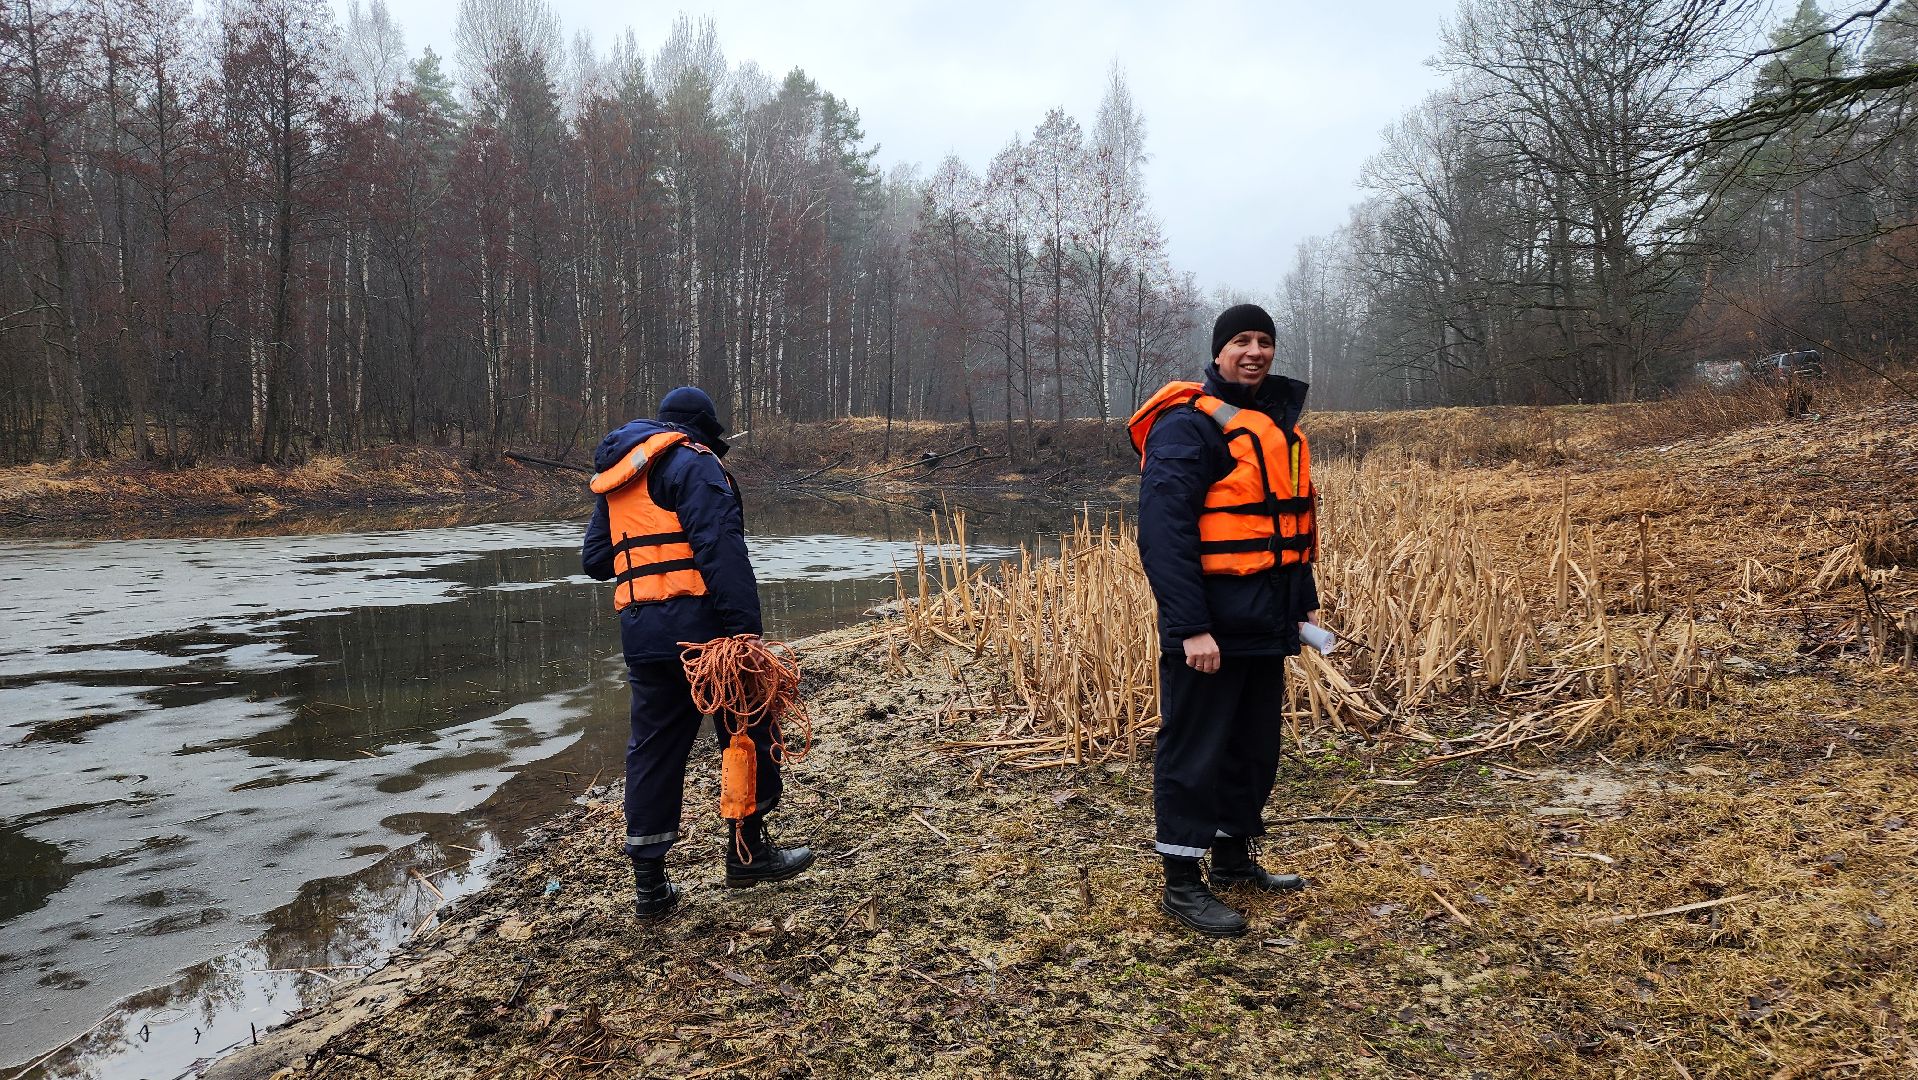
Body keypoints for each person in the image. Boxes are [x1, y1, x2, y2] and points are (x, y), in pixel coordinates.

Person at [1126, 304, 1321, 937]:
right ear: (1217, 353)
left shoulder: (1269, 425)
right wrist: (1190, 629)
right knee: (1195, 748)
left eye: (1265, 341)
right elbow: (1164, 535)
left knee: (1253, 747)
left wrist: (1300, 609)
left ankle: (1234, 858)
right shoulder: (1187, 428)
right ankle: (1181, 883)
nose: (1255, 351)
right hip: (1209, 628)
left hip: (1264, 624)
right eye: (1241, 340)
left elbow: (1283, 529)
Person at [582, 386, 814, 918]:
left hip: (643, 636)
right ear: (702, 429)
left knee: (654, 749)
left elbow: (596, 560)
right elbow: (721, 549)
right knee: (748, 730)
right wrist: (746, 635)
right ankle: (748, 855)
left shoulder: (620, 476)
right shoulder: (696, 463)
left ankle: (650, 887)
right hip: (708, 638)